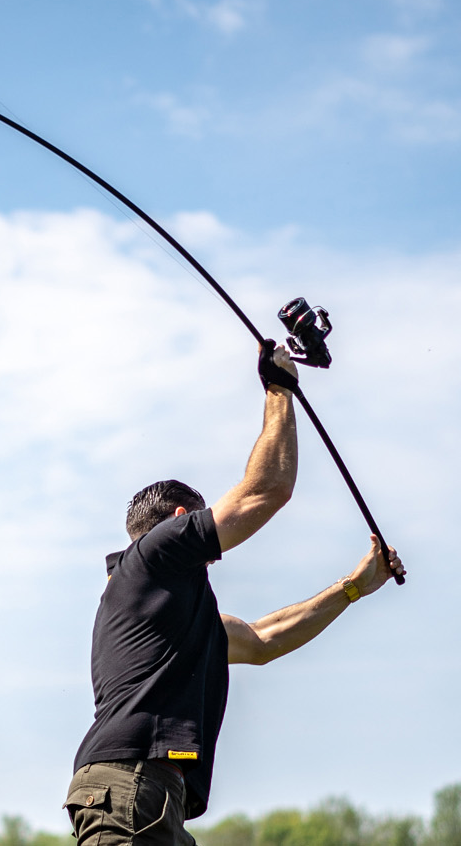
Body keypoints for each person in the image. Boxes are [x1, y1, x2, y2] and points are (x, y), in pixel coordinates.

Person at [63, 345, 407, 846]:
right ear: (182, 523)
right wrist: (278, 391)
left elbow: (263, 640)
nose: (214, 554)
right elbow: (266, 490)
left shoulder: (167, 615)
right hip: (131, 787)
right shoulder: (155, 555)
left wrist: (353, 587)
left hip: (151, 795)